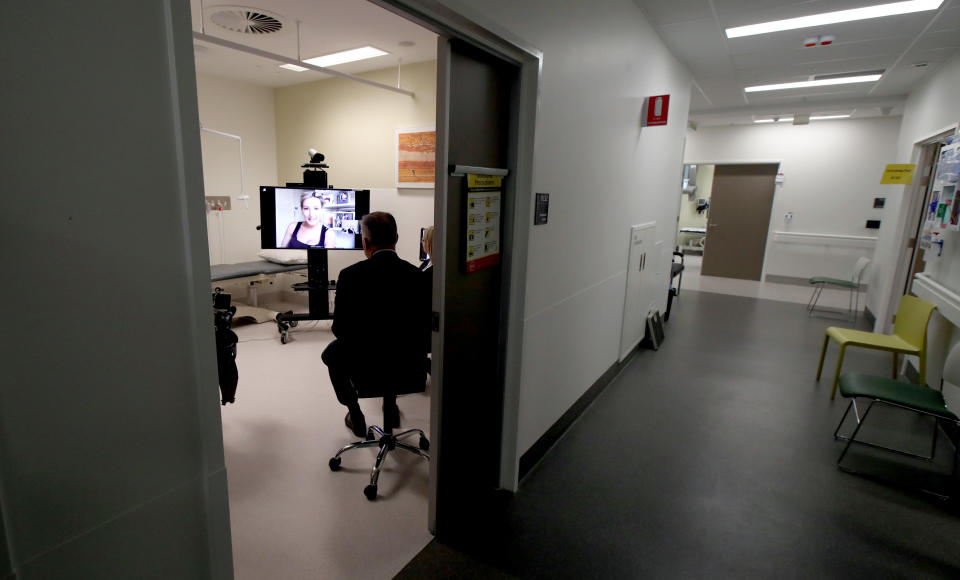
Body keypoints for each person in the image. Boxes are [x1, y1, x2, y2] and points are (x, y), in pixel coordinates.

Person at [321, 211, 429, 437]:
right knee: (394, 350)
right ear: (396, 238)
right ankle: (390, 406)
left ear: (366, 241)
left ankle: (355, 413)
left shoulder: (350, 276)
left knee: (331, 354)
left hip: (364, 368)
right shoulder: (417, 276)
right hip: (408, 367)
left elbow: (339, 329)